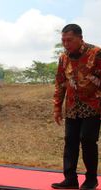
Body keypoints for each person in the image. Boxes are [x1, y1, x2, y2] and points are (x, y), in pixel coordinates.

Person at [52, 24, 101, 190]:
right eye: (63, 40)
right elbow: (60, 84)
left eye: (70, 40)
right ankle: (70, 179)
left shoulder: (96, 53)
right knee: (70, 142)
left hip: (93, 106)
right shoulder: (63, 58)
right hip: (72, 107)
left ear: (80, 38)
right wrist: (57, 108)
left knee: (87, 141)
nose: (66, 44)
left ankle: (91, 179)